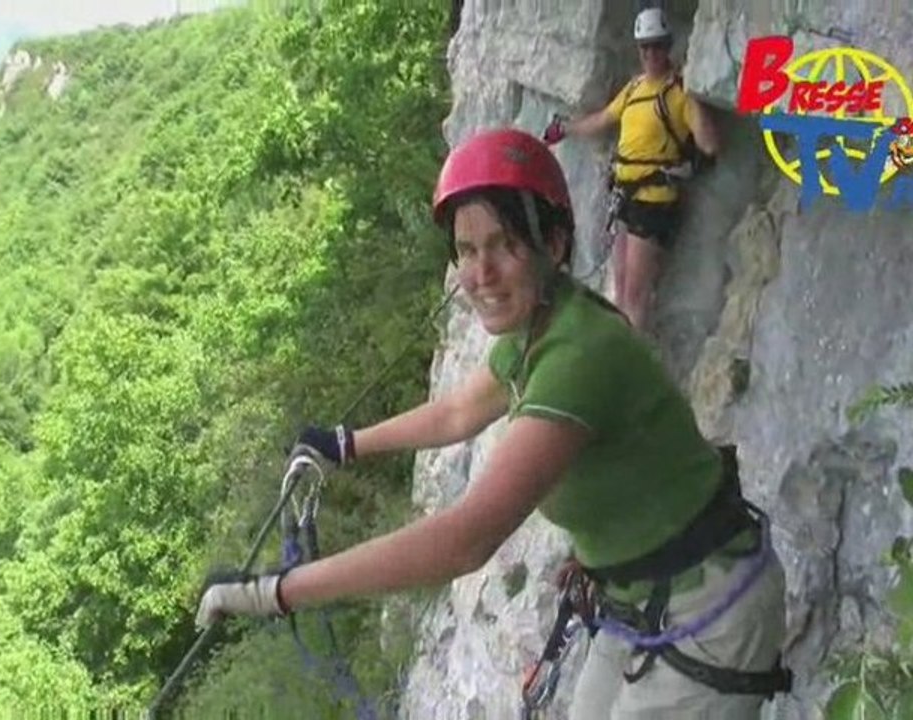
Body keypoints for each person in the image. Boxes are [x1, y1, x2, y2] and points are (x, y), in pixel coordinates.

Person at [196, 128, 790, 718]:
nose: (480, 272)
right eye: (466, 249)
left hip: (709, 606)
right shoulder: (540, 328)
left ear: (553, 243)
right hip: (643, 597)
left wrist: (277, 592)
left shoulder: (578, 356)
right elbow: (457, 412)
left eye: (502, 243)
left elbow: (465, 540)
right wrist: (345, 444)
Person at [543, 7, 720, 331]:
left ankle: (629, 368)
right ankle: (624, 355)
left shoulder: (679, 93)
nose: (651, 53)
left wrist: (693, 138)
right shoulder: (635, 88)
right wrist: (566, 129)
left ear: (667, 45)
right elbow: (603, 120)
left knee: (635, 296)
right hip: (627, 196)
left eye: (657, 45)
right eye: (645, 47)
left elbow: (709, 144)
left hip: (654, 199)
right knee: (622, 288)